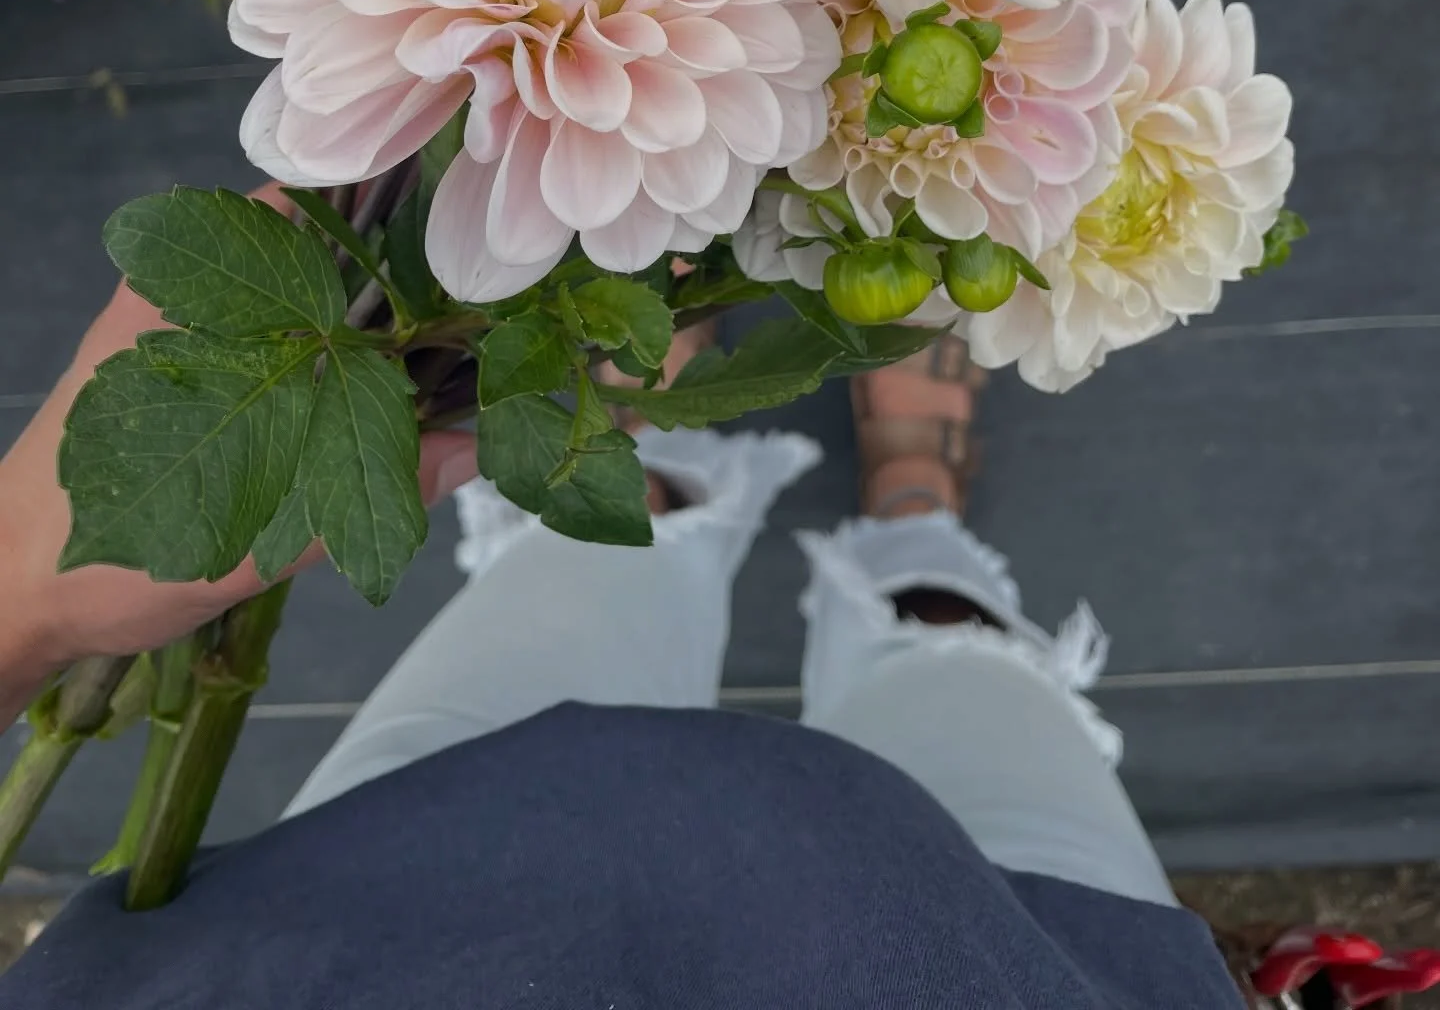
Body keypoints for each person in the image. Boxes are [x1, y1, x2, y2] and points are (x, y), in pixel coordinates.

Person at [0, 268, 1242, 1009]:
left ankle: (632, 444)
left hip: (399, 914)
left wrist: (30, 598)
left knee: (579, 567)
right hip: (1012, 966)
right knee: (965, 668)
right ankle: (914, 502)